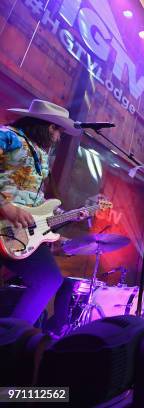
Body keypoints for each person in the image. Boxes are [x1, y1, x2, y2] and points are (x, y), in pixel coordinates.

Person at [0, 99, 80, 329]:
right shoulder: (8, 136)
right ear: (48, 126)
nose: (58, 138)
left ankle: (11, 342)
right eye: (58, 131)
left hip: (18, 234)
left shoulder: (41, 156)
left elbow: (33, 198)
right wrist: (5, 205)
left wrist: (65, 214)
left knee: (49, 279)